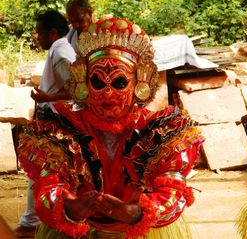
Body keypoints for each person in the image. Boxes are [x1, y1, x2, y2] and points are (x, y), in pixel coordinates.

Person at [17, 15, 204, 239]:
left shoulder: (161, 134)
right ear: (84, 82)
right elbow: (48, 187)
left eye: (118, 82)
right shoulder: (62, 131)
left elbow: (174, 193)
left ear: (139, 83)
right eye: (98, 82)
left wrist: (138, 213)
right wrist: (67, 208)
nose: (107, 93)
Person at [15, 10, 76, 238]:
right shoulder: (60, 47)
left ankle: (33, 221)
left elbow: (75, 88)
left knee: (40, 170)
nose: (37, 38)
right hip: (52, 118)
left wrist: (46, 99)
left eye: (39, 33)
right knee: (40, 169)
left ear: (52, 32)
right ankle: (34, 218)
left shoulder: (60, 49)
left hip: (54, 120)